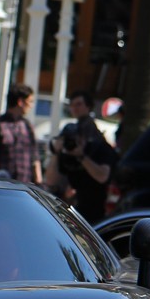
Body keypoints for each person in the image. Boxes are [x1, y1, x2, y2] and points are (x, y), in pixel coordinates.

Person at [45, 91, 119, 223]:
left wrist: (82, 157)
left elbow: (102, 176)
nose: (75, 108)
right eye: (72, 105)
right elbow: (51, 180)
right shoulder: (69, 151)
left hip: (95, 212)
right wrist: (56, 153)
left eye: (79, 104)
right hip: (70, 213)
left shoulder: (100, 147)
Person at [0, 84, 42, 184]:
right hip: (1, 188)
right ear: (20, 102)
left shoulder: (27, 126)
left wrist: (38, 182)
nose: (31, 106)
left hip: (24, 187)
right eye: (30, 102)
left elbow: (34, 157)